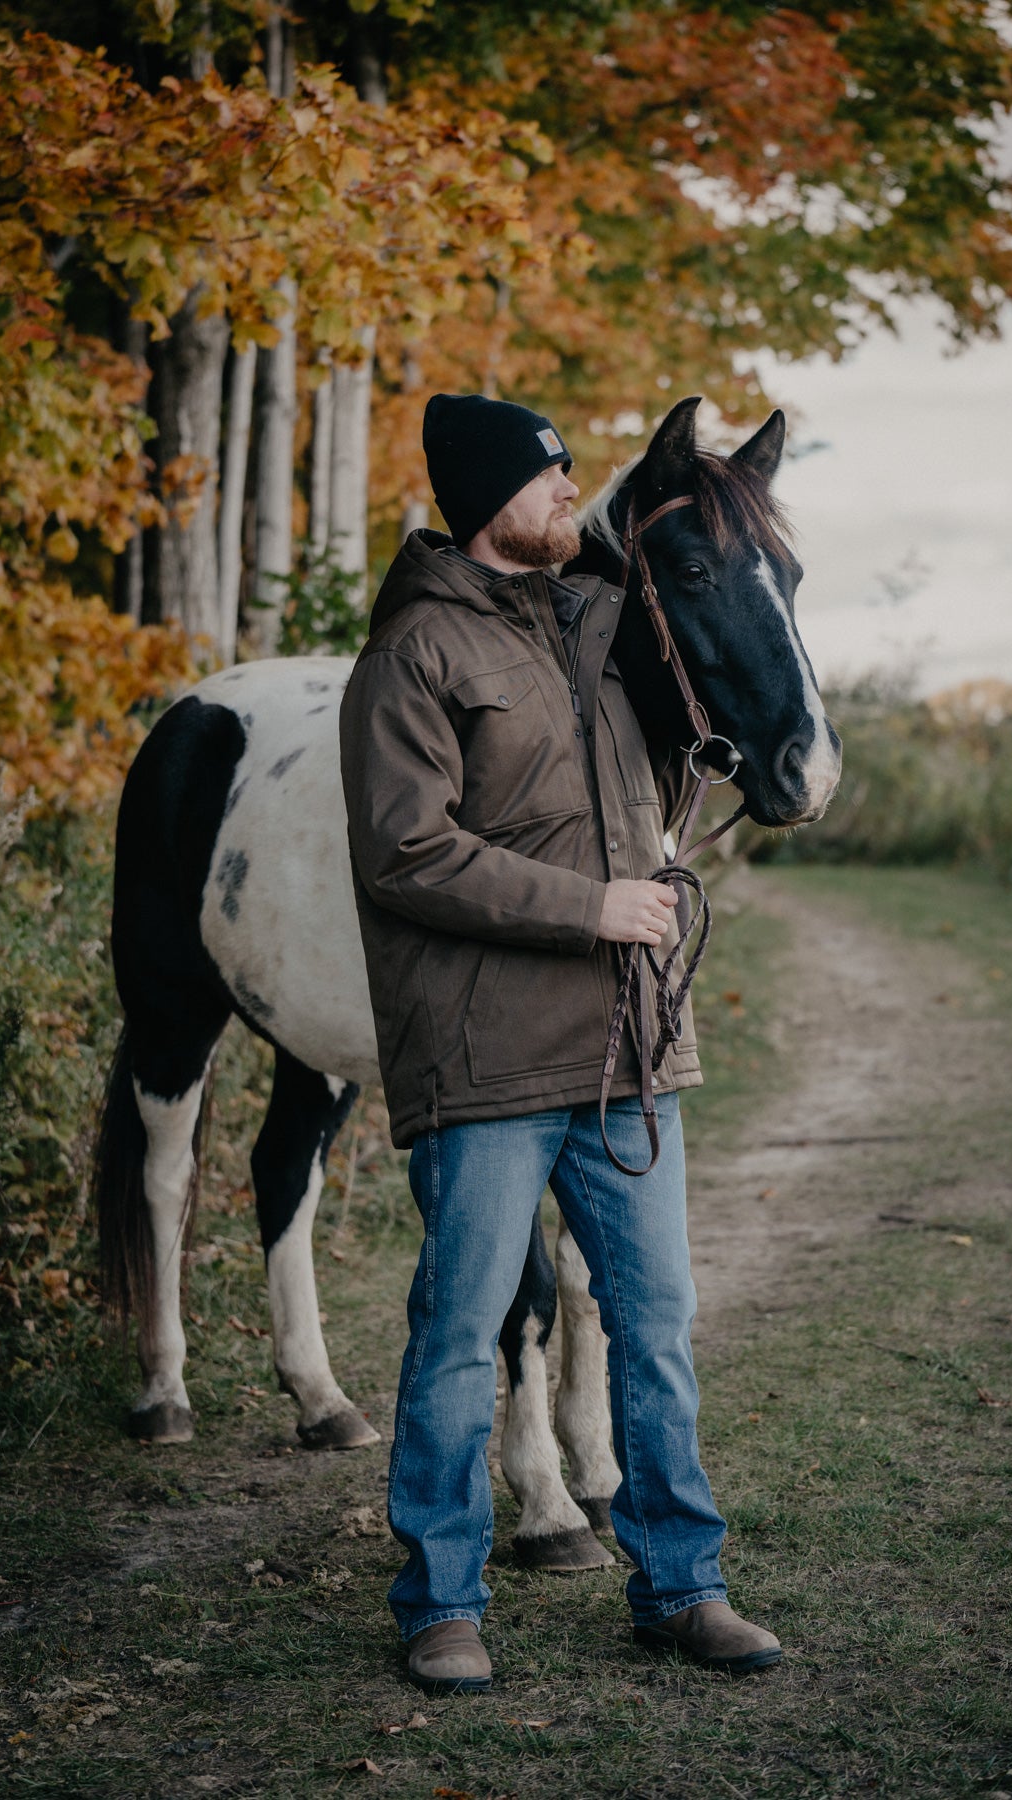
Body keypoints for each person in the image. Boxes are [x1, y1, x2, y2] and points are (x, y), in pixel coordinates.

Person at [339, 393, 780, 1693]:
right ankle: (440, 1603)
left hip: (631, 1057)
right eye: (547, 478)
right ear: (488, 498)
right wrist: (589, 907)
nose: (567, 493)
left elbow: (701, 660)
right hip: (486, 1068)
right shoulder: (412, 656)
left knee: (656, 1327)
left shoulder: (598, 620)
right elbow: (404, 854)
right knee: (461, 1333)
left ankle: (681, 1587)